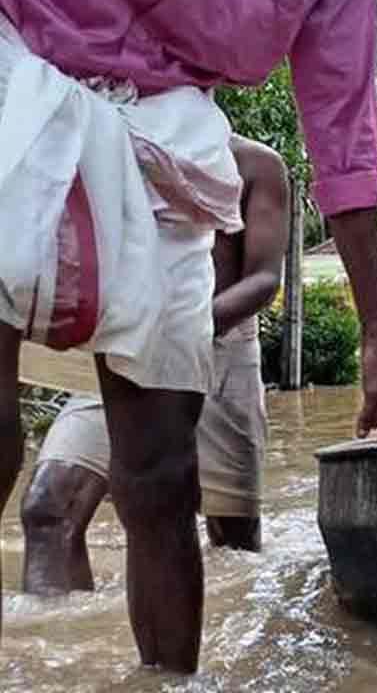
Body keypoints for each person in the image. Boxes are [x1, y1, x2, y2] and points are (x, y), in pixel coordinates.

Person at [0, 0, 377, 672]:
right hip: (14, 70)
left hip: (167, 155)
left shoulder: (255, 163)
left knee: (164, 477)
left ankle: (169, 682)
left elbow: (343, 133)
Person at [21, 135, 286, 594]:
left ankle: (216, 653)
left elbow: (264, 278)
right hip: (122, 346)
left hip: (219, 352)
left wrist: (185, 330)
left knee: (233, 544)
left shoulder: (256, 164)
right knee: (48, 508)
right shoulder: (104, 143)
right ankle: (65, 656)